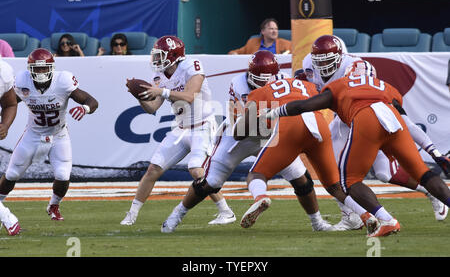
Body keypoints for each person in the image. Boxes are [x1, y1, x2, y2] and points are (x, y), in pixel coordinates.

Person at [160, 50, 338, 233]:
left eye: (265, 79)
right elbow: (239, 122)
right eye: (257, 78)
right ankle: (176, 215)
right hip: (238, 135)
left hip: (271, 135)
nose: (260, 83)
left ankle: (317, 223)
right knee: (210, 182)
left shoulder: (283, 80)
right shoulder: (238, 83)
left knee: (302, 179)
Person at [262, 72, 450, 237]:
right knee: (424, 174)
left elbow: (303, 106)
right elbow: (408, 124)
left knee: (349, 181)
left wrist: (275, 112)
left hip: (366, 118)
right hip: (392, 116)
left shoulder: (338, 86)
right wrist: (434, 151)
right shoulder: (385, 86)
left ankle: (387, 220)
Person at [297, 35, 448, 224]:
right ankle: (353, 216)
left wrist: (433, 150)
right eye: (321, 60)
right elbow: (313, 87)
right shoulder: (310, 64)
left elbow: (406, 123)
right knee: (333, 169)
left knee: (385, 173)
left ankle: (429, 191)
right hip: (345, 119)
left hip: (365, 119)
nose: (324, 65)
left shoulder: (374, 85)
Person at [232, 75, 378, 234]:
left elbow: (240, 133)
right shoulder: (306, 85)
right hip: (319, 124)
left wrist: (252, 121)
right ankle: (366, 215)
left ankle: (260, 198)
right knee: (334, 185)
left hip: (291, 125)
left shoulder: (261, 91)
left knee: (257, 174)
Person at [120, 35, 235, 227]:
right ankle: (132, 214)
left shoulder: (191, 66)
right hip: (180, 129)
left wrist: (162, 92)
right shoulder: (159, 76)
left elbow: (190, 96)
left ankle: (226, 211)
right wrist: (138, 96)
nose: (156, 60)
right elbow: (152, 108)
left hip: (203, 126)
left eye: (160, 55)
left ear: (173, 55)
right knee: (152, 169)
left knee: (197, 170)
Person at [0, 48, 98, 234]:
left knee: (63, 175)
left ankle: (53, 205)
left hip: (59, 135)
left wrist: (85, 108)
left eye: (45, 69)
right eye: (37, 69)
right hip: (33, 134)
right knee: (12, 174)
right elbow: (10, 103)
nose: (41, 73)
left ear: (52, 68)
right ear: (30, 70)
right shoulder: (22, 81)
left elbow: (91, 100)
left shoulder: (63, 81)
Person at [0, 58, 19, 235]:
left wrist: (5, 125)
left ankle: (8, 218)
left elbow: (10, 103)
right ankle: (8, 218)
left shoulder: (3, 71)